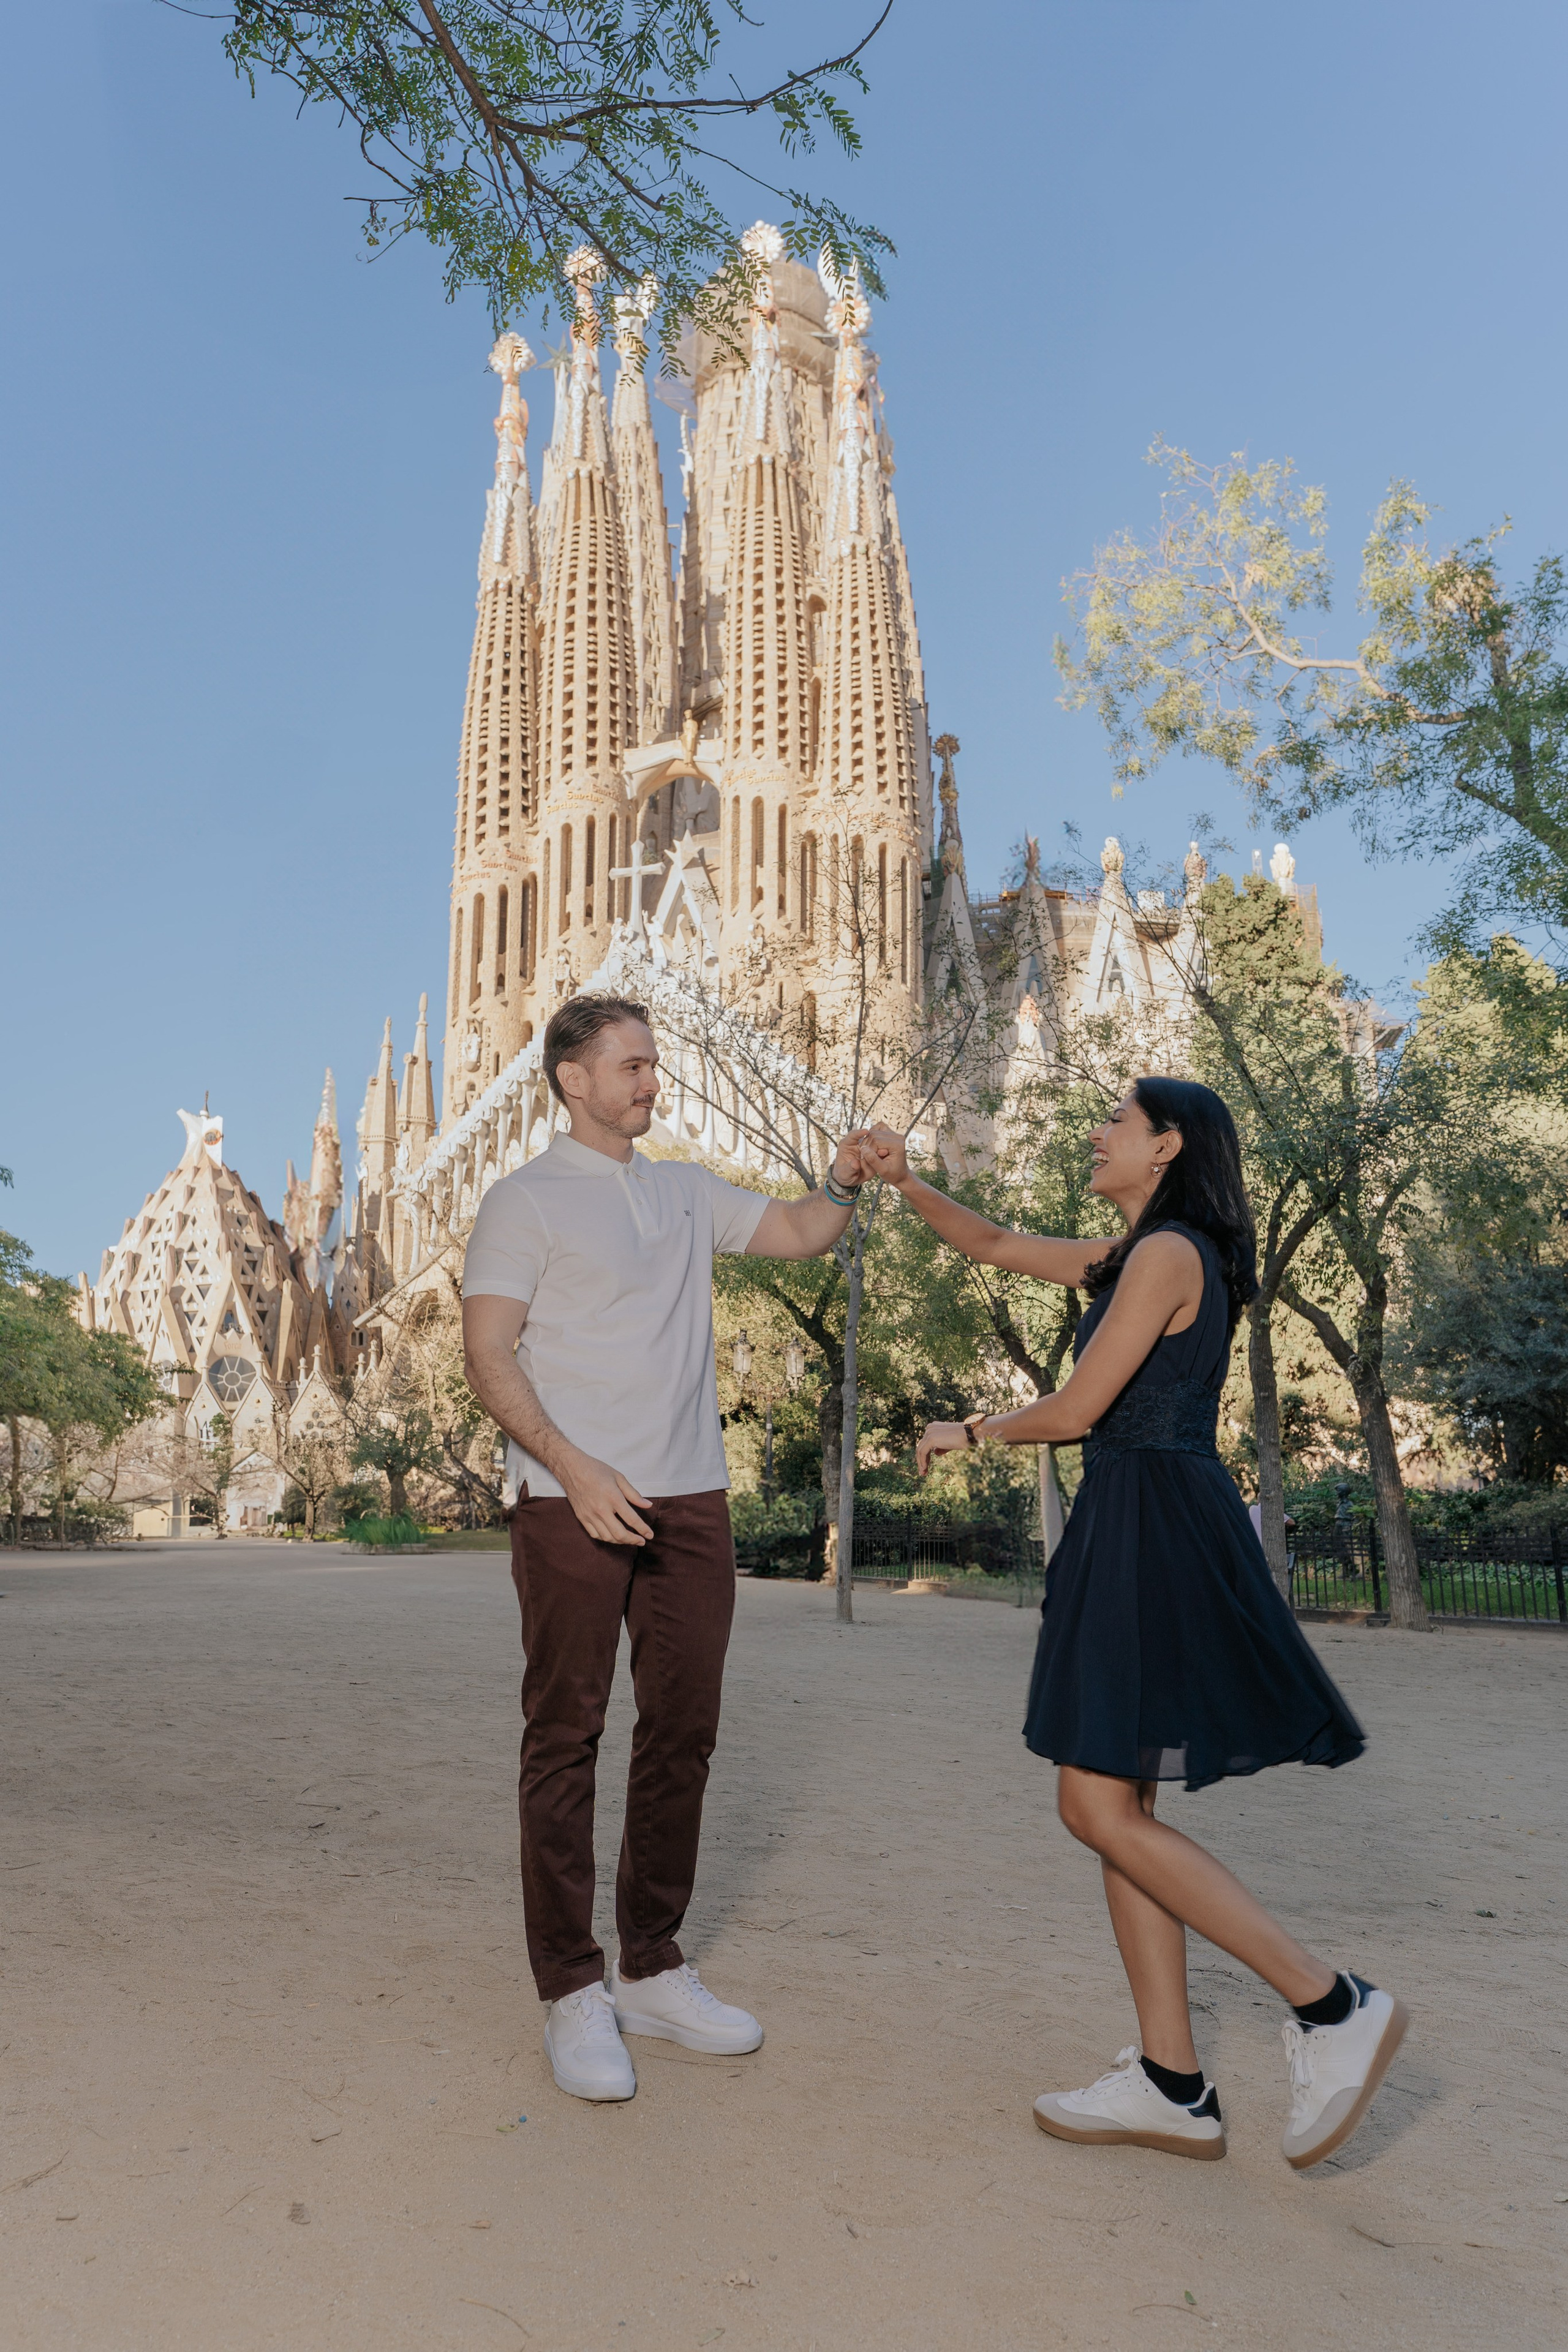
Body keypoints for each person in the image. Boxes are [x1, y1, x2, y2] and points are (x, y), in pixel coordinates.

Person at [856, 1080, 1406, 2169]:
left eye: (1118, 1118)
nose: (1097, 1132)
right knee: (1119, 1803)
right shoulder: (1135, 1255)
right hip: (1142, 1516)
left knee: (1095, 1805)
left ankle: (1332, 2004)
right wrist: (907, 1182)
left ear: (1167, 1147)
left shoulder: (1164, 1255)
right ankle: (1171, 2084)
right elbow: (994, 1242)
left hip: (1150, 1522)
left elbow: (1076, 1411)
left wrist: (969, 1429)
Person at [462, 993, 865, 2103]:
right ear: (573, 1079)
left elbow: (801, 1231)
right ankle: (571, 1988)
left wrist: (841, 1181)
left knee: (684, 1732)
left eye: (654, 1063)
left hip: (690, 1500)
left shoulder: (685, 1191)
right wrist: (573, 1466)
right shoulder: (522, 1201)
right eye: (633, 1065)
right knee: (566, 1737)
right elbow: (488, 1354)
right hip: (570, 1499)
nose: (653, 1079)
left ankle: (649, 1965)